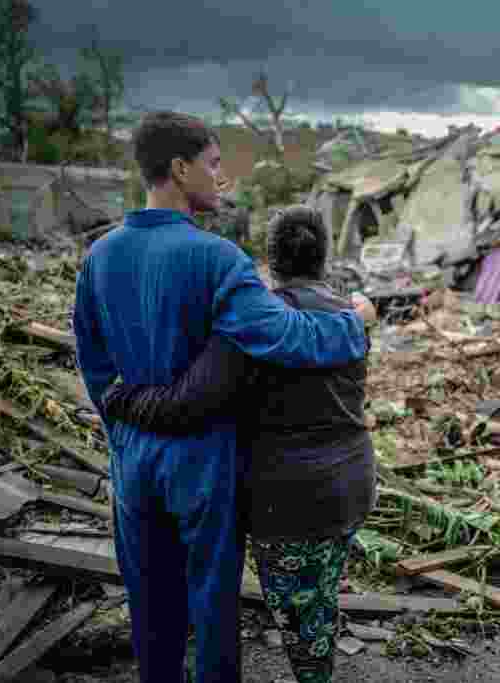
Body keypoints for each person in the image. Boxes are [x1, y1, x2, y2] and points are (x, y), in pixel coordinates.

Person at [72, 112, 373, 683]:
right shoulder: (217, 259)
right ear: (180, 169)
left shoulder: (101, 257)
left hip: (133, 461)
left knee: (150, 602)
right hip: (202, 462)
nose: (221, 178)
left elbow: (93, 362)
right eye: (213, 165)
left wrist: (124, 436)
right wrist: (355, 323)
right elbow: (287, 337)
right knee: (212, 605)